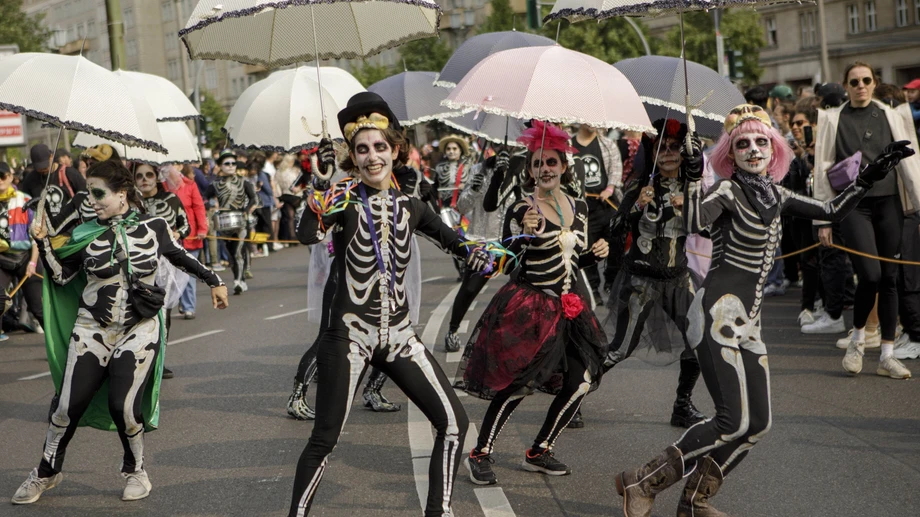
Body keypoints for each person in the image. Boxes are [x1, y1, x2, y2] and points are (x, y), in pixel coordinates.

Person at [614, 104, 912, 517]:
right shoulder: (726, 191)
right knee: (732, 420)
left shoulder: (777, 193)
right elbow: (694, 224)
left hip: (749, 324)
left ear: (774, 150)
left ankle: (694, 500)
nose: (753, 149)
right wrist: (694, 171)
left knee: (758, 424)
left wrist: (868, 176)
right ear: (729, 154)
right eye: (742, 144)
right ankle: (642, 480)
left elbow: (830, 212)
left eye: (761, 142)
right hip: (717, 315)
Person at [288, 94, 489, 517]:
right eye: (362, 149)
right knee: (325, 438)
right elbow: (307, 233)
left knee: (454, 425)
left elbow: (459, 244)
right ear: (353, 158)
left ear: (395, 150)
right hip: (349, 336)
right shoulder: (343, 200)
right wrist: (321, 187)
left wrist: (496, 252)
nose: (372, 156)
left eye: (380, 147)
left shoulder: (412, 206)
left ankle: (440, 511)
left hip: (399, 337)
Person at [12, 159, 228, 505]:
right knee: (66, 407)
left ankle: (135, 470)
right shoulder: (84, 234)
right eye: (89, 193)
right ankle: (46, 471)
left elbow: (180, 256)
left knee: (123, 407)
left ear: (123, 194)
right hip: (92, 329)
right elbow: (61, 277)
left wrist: (215, 281)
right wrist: (46, 244)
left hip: (139, 328)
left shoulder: (154, 227)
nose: (92, 200)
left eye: (99, 193)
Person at [456, 120, 609, 485]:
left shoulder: (579, 207)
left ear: (564, 167)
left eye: (552, 162)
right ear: (529, 170)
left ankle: (540, 449)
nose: (545, 169)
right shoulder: (522, 208)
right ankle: (480, 452)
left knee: (581, 382)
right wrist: (522, 231)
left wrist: (596, 254)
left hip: (570, 308)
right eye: (538, 163)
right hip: (531, 306)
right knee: (520, 383)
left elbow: (574, 258)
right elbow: (509, 259)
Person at [813, 61, 920, 380]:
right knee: (870, 275)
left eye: (866, 80)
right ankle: (858, 340)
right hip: (852, 205)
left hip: (889, 202)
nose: (860, 85)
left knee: (889, 277)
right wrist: (823, 219)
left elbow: (912, 163)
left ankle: (887, 353)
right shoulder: (833, 118)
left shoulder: (892, 113)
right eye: (854, 81)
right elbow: (822, 168)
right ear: (845, 86)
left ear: (874, 83)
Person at [602, 118, 706, 430]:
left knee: (699, 339)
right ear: (653, 153)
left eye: (675, 148)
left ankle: (682, 405)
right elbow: (614, 231)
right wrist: (636, 207)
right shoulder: (638, 187)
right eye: (662, 148)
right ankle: (575, 393)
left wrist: (690, 206)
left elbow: (709, 228)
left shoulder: (693, 189)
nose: (669, 153)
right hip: (640, 282)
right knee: (620, 349)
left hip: (677, 279)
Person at [443, 149, 512, 353]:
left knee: (524, 290)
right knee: (470, 288)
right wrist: (473, 189)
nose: (502, 151)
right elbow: (462, 208)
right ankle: (452, 331)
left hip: (513, 241)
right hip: (483, 241)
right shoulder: (477, 170)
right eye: (497, 147)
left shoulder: (521, 172)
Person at [573, 124, 622, 304]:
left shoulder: (607, 144)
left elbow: (616, 169)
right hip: (583, 208)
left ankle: (611, 281)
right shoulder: (569, 146)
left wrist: (610, 189)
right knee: (587, 247)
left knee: (615, 243)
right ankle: (593, 288)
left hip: (606, 204)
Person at [206, 150, 257, 295]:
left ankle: (239, 281)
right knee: (231, 254)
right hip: (224, 222)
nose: (231, 166)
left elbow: (254, 198)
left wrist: (246, 210)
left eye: (233, 163)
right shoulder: (215, 184)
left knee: (239, 251)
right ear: (220, 166)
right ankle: (238, 277)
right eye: (227, 164)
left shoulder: (243, 182)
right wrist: (210, 206)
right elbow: (204, 198)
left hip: (240, 221)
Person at [0, 161, 43, 329]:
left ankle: (60, 348)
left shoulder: (24, 200)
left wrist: (32, 263)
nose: (0, 180)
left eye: (3, 176)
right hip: (3, 259)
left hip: (26, 258)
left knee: (37, 308)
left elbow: (36, 237)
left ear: (11, 177)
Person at [171, 165, 209, 320]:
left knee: (188, 272)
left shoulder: (190, 185)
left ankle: (188, 306)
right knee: (172, 274)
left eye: (176, 164)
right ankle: (180, 299)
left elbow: (199, 207)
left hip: (190, 235)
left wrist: (202, 229)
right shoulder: (162, 187)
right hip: (169, 236)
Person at [19, 144, 87, 221]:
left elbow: (84, 195)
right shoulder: (30, 179)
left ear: (51, 157)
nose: (42, 169)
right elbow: (25, 203)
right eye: (39, 167)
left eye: (45, 166)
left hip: (70, 226)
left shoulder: (70, 173)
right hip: (44, 227)